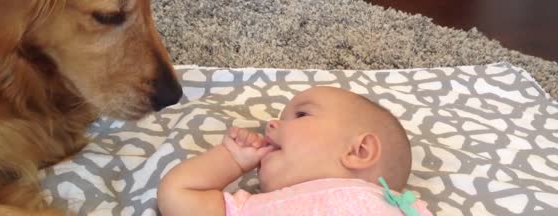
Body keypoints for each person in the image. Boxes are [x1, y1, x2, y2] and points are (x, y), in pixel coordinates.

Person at [157, 86, 432, 216]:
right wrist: (231, 159)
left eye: (300, 115)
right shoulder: (258, 206)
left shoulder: (406, 209)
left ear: (359, 151)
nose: (271, 123)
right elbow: (177, 195)